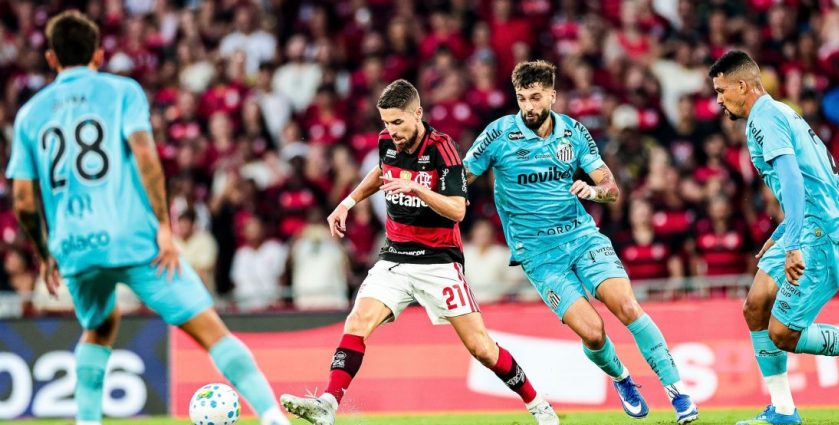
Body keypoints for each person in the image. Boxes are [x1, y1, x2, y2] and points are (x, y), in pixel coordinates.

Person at [5, 11, 289, 425]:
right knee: (209, 328)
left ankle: (87, 421)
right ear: (98, 55)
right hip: (132, 238)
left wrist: (45, 254)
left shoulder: (30, 114)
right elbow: (144, 155)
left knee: (100, 326)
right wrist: (164, 228)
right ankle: (271, 415)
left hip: (73, 246)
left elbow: (23, 198)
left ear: (51, 59)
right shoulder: (122, 91)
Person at [280, 79, 558, 425]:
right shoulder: (387, 142)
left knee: (482, 348)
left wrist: (417, 188)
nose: (391, 131)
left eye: (398, 122)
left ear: (418, 114)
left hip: (439, 262)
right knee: (357, 322)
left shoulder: (443, 149)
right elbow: (381, 172)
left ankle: (538, 405)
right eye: (386, 122)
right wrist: (348, 202)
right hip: (395, 258)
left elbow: (457, 209)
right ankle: (328, 403)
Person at [463, 60, 699, 424]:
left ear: (552, 96)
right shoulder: (498, 134)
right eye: (522, 98)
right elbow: (462, 175)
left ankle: (678, 392)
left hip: (582, 236)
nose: (528, 106)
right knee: (593, 333)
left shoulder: (573, 132)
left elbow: (611, 189)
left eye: (536, 97)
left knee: (627, 306)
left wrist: (593, 190)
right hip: (539, 255)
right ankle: (622, 378)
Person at [709, 50, 839, 425]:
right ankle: (783, 410)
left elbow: (793, 180)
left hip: (824, 233)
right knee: (755, 306)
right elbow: (814, 179)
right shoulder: (777, 113)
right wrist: (783, 232)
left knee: (783, 333)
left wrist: (793, 242)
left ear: (742, 85)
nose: (718, 100)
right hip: (807, 225)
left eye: (721, 90)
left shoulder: (765, 118)